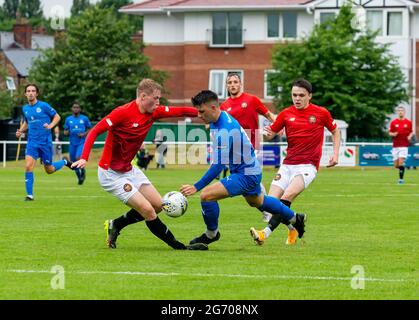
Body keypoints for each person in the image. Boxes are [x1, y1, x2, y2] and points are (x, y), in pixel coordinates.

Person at [71, 78, 206, 251]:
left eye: (159, 99)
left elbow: (179, 110)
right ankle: (179, 246)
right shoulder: (122, 113)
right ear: (143, 96)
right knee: (148, 211)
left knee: (159, 206)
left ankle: (116, 224)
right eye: (155, 98)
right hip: (110, 174)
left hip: (129, 170)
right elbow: (95, 130)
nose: (158, 103)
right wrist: (84, 157)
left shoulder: (154, 112)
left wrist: (205, 113)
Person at [179, 90, 306, 247]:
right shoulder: (217, 120)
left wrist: (196, 186)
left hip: (245, 174)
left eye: (201, 111)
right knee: (259, 202)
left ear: (213, 107)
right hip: (249, 170)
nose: (199, 115)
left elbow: (218, 165)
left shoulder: (225, 129)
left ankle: (211, 234)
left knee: (206, 195)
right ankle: (295, 218)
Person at [254, 78, 340, 245]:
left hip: (307, 166)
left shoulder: (321, 113)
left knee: (287, 197)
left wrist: (335, 154)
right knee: (270, 204)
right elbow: (272, 132)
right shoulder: (286, 114)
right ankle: (295, 223)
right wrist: (268, 134)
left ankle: (264, 234)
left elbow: (336, 131)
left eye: (301, 95)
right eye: (294, 95)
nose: (297, 98)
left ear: (310, 96)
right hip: (287, 166)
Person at [220, 73, 277, 219]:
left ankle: (271, 211)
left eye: (235, 82)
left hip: (254, 148)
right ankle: (271, 210)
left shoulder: (251, 100)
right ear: (227, 86)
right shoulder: (224, 106)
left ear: (240, 84)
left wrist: (278, 127)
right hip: (236, 152)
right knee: (248, 188)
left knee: (251, 182)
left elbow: (269, 115)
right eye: (229, 82)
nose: (232, 84)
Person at [15, 84, 73, 201]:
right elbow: (27, 122)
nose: (31, 93)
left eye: (33, 91)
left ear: (37, 93)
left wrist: (50, 125)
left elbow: (57, 116)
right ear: (25, 94)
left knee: (49, 170)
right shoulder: (25, 108)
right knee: (28, 166)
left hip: (45, 142)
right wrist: (20, 131)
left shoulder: (44, 106)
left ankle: (64, 162)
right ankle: (29, 195)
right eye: (28, 91)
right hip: (32, 142)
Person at [63, 103, 92, 185]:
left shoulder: (84, 118)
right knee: (73, 162)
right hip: (72, 143)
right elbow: (65, 131)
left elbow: (90, 129)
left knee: (78, 157)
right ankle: (79, 177)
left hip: (81, 142)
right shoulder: (68, 119)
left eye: (77, 107)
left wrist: (84, 134)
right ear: (72, 109)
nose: (76, 109)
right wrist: (67, 132)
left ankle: (83, 170)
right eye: (74, 107)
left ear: (80, 109)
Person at [388, 105, 413, 184]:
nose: (400, 112)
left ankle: (401, 180)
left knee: (401, 162)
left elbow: (411, 132)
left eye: (402, 110)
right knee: (396, 165)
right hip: (395, 146)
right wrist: (393, 134)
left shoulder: (408, 122)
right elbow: (390, 132)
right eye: (399, 110)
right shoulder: (393, 122)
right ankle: (402, 168)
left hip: (404, 145)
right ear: (397, 112)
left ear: (404, 112)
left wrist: (409, 136)